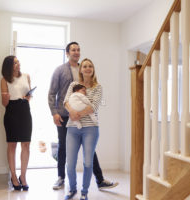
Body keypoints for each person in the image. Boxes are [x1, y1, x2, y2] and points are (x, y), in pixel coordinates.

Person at [48, 42, 118, 192]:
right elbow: (52, 93)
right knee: (63, 147)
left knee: (90, 151)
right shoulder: (60, 70)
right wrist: (54, 112)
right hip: (65, 116)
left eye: (78, 50)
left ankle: (99, 180)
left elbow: (94, 101)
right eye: (73, 50)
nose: (76, 52)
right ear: (67, 53)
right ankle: (61, 178)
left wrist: (83, 112)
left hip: (86, 119)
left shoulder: (84, 69)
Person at [63, 58, 103, 200]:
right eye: (85, 66)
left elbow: (93, 106)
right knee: (70, 163)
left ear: (93, 70)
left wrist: (77, 114)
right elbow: (66, 101)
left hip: (90, 129)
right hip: (72, 129)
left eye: (90, 66)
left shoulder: (97, 87)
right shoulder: (74, 84)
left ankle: (84, 191)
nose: (87, 68)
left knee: (87, 162)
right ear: (81, 69)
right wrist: (71, 112)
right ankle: (72, 189)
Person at [1, 55, 32, 191]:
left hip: (25, 110)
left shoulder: (26, 76)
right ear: (9, 66)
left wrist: (27, 97)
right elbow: (4, 104)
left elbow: (29, 95)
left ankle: (23, 176)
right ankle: (13, 176)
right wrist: (6, 98)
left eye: (18, 62)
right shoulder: (4, 80)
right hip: (11, 111)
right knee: (12, 145)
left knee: (26, 144)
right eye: (15, 63)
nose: (18, 64)